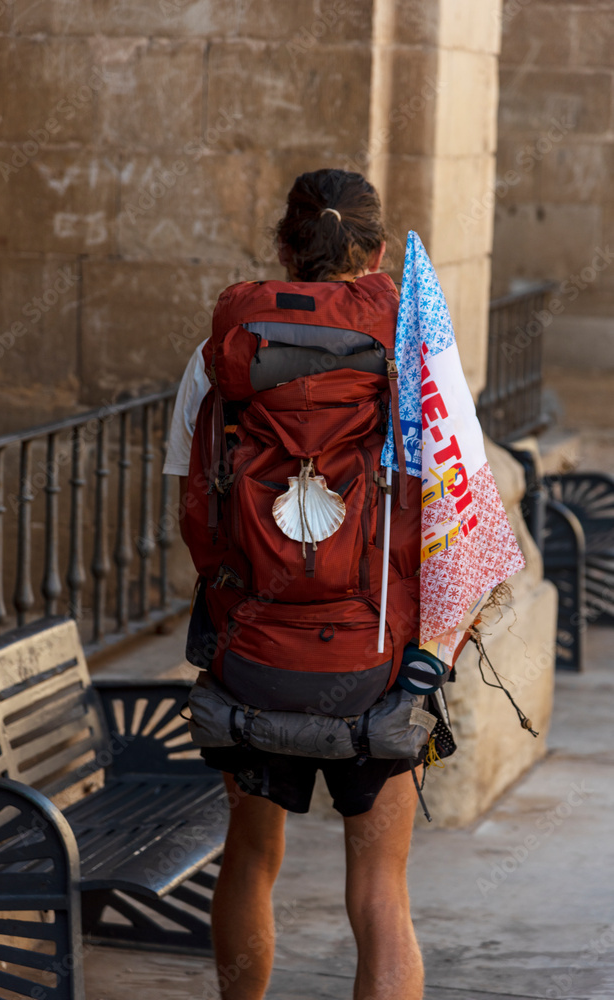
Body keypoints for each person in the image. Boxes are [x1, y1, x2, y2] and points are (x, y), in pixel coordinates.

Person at [164, 169, 425, 1000]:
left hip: (255, 653)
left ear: (284, 248)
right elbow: (450, 519)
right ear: (377, 252)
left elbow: (196, 515)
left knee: (250, 858)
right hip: (372, 658)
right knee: (382, 893)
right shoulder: (412, 357)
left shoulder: (221, 359)